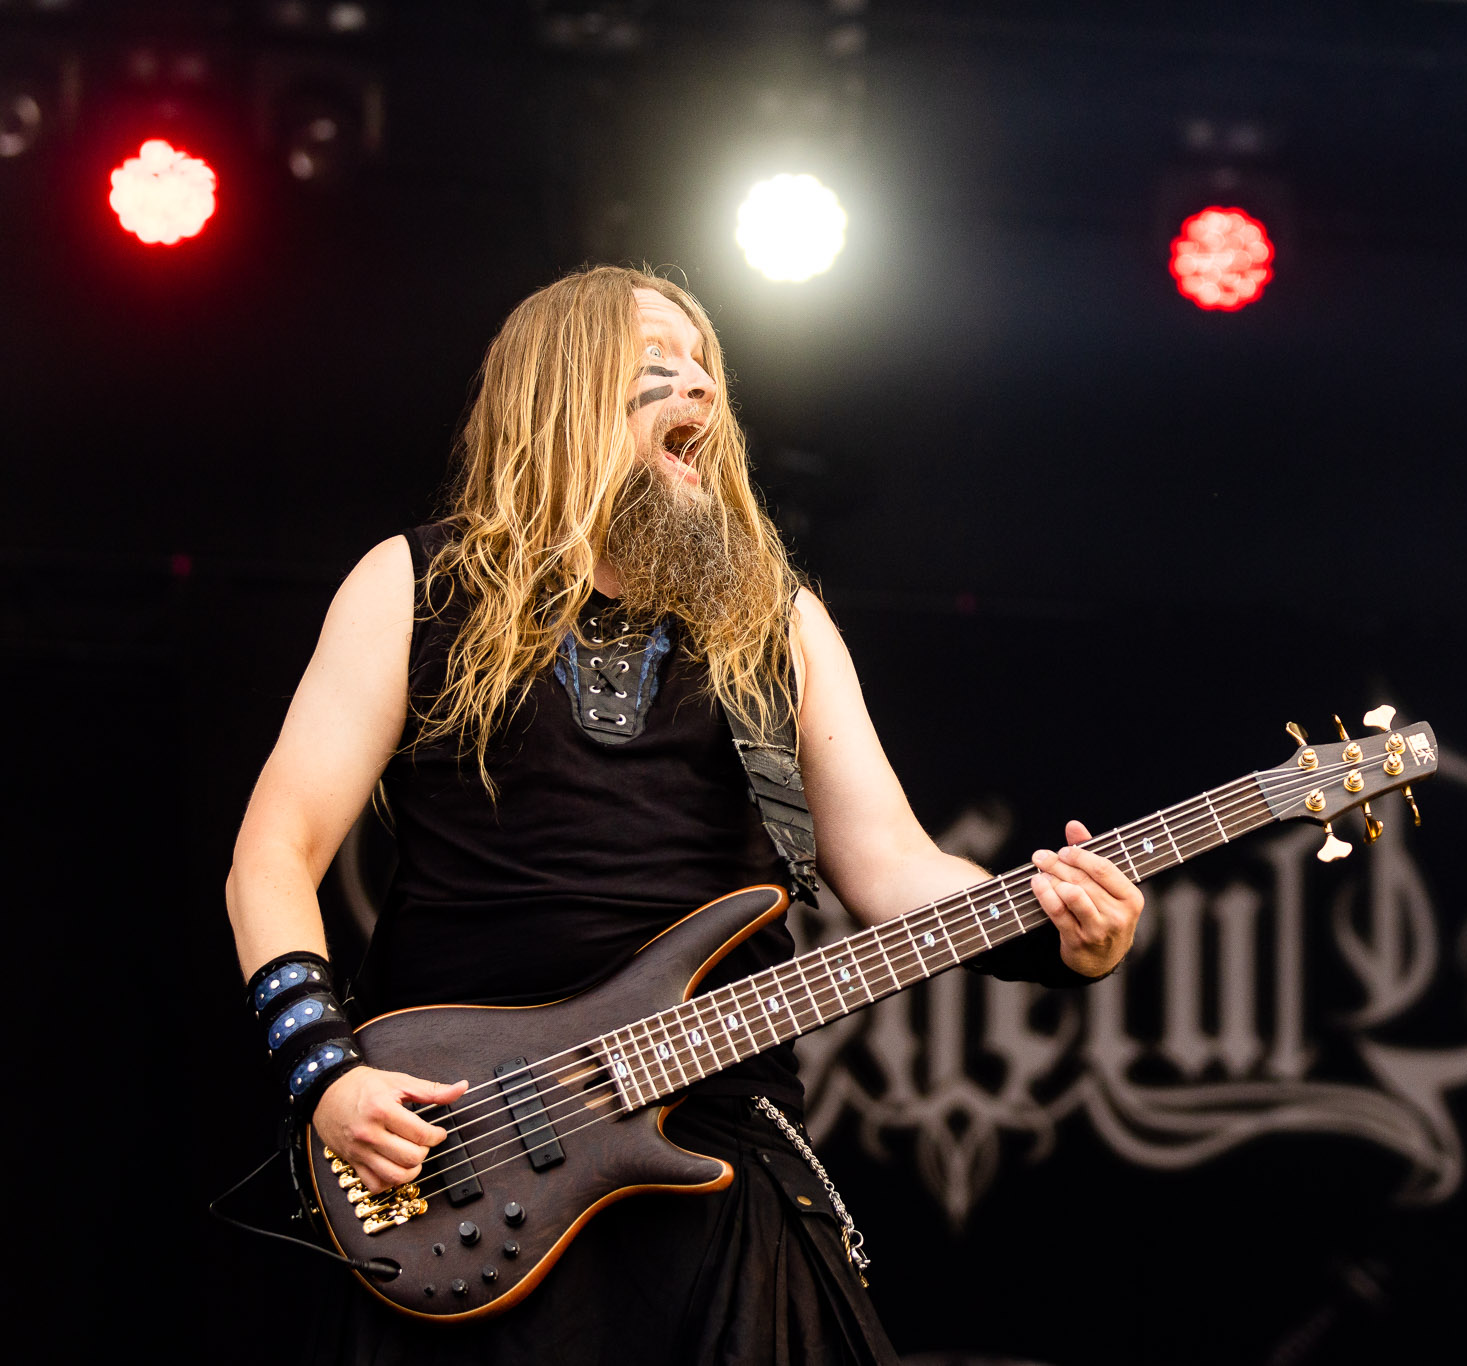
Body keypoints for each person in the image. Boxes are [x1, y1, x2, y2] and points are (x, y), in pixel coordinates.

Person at [223, 264, 1146, 1364]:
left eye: (706, 366)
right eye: (658, 361)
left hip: (711, 1139)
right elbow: (274, 852)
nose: (702, 389)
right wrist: (325, 1073)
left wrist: (1055, 933)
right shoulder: (414, 585)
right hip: (465, 1151)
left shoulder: (774, 622)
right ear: (563, 392)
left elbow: (894, 866)